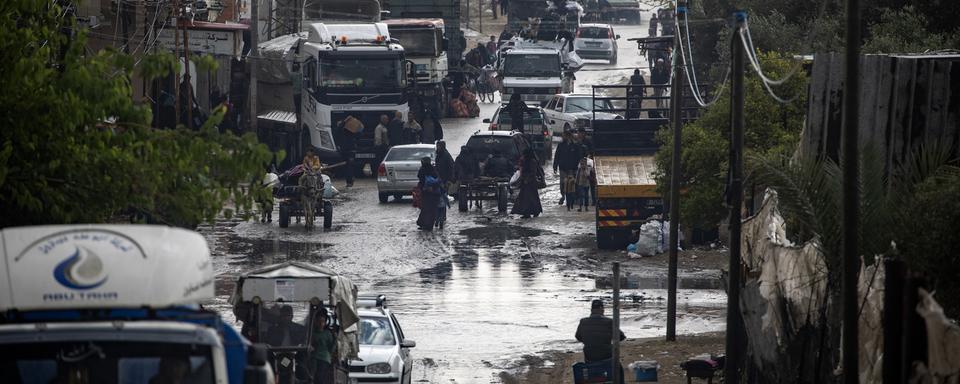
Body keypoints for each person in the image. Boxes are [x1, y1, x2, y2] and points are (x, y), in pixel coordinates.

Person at [575, 300, 626, 383]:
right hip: (607, 356)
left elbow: (578, 337)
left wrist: (589, 341)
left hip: (589, 356)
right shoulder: (609, 322)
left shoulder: (583, 321)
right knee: (619, 369)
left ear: (591, 310)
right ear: (602, 309)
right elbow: (621, 337)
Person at [553, 131, 584, 205]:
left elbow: (578, 157)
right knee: (562, 183)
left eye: (564, 136)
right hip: (562, 168)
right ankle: (563, 196)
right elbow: (557, 156)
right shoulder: (560, 145)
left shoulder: (575, 146)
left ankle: (572, 198)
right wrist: (555, 166)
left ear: (568, 136)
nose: (562, 137)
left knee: (572, 184)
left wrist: (577, 168)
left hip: (572, 169)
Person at [511, 148, 543, 218]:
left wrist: (527, 179)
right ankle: (527, 213)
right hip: (525, 182)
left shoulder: (532, 161)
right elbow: (522, 171)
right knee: (526, 198)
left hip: (530, 182)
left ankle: (533, 212)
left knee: (531, 198)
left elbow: (533, 173)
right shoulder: (525, 161)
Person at [310, 310, 336, 384]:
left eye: (323, 321)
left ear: (325, 322)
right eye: (319, 321)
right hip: (313, 357)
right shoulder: (311, 333)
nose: (321, 323)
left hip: (324, 358)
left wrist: (334, 341)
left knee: (320, 377)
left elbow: (331, 348)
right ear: (315, 321)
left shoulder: (327, 333)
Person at [416, 157, 441, 230]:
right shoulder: (433, 169)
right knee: (432, 210)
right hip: (435, 193)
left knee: (425, 209)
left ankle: (423, 223)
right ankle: (429, 225)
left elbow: (420, 180)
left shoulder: (422, 170)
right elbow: (438, 179)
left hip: (426, 193)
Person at [337, 116, 361, 187]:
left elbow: (358, 134)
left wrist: (345, 121)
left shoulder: (347, 132)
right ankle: (349, 180)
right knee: (348, 166)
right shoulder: (343, 131)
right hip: (347, 151)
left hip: (348, 151)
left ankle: (349, 181)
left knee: (349, 166)